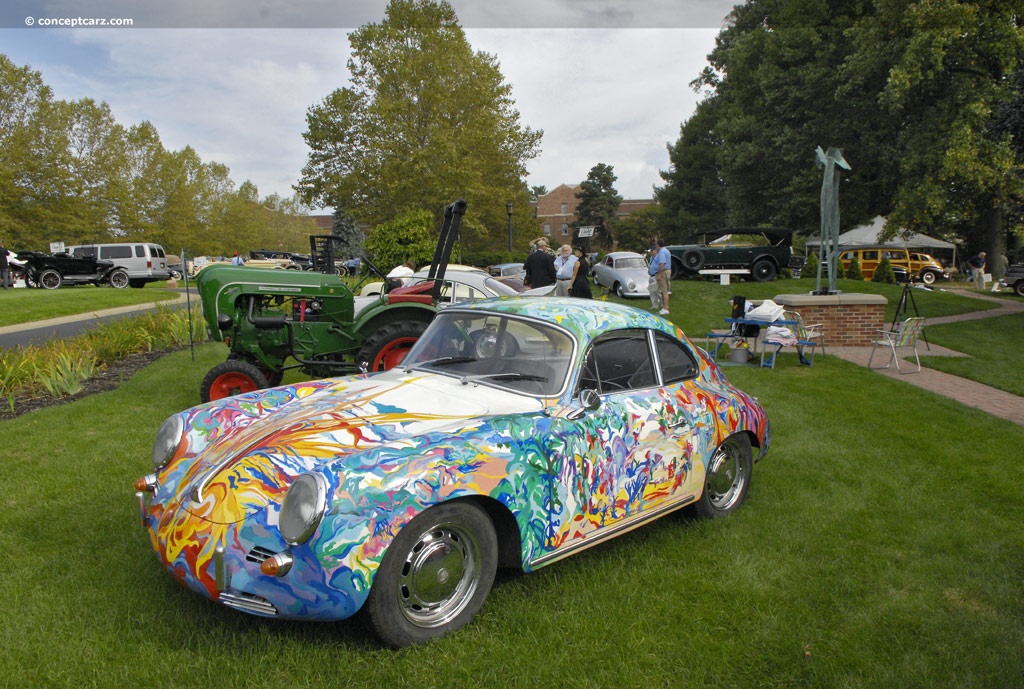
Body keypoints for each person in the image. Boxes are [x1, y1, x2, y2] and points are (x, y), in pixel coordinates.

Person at [648, 238, 672, 315]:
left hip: (664, 272)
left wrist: (659, 274)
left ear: (658, 245)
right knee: (663, 290)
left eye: (656, 244)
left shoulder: (661, 252)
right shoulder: (666, 250)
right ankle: (665, 307)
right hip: (666, 271)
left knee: (664, 291)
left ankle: (665, 309)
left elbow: (662, 264)